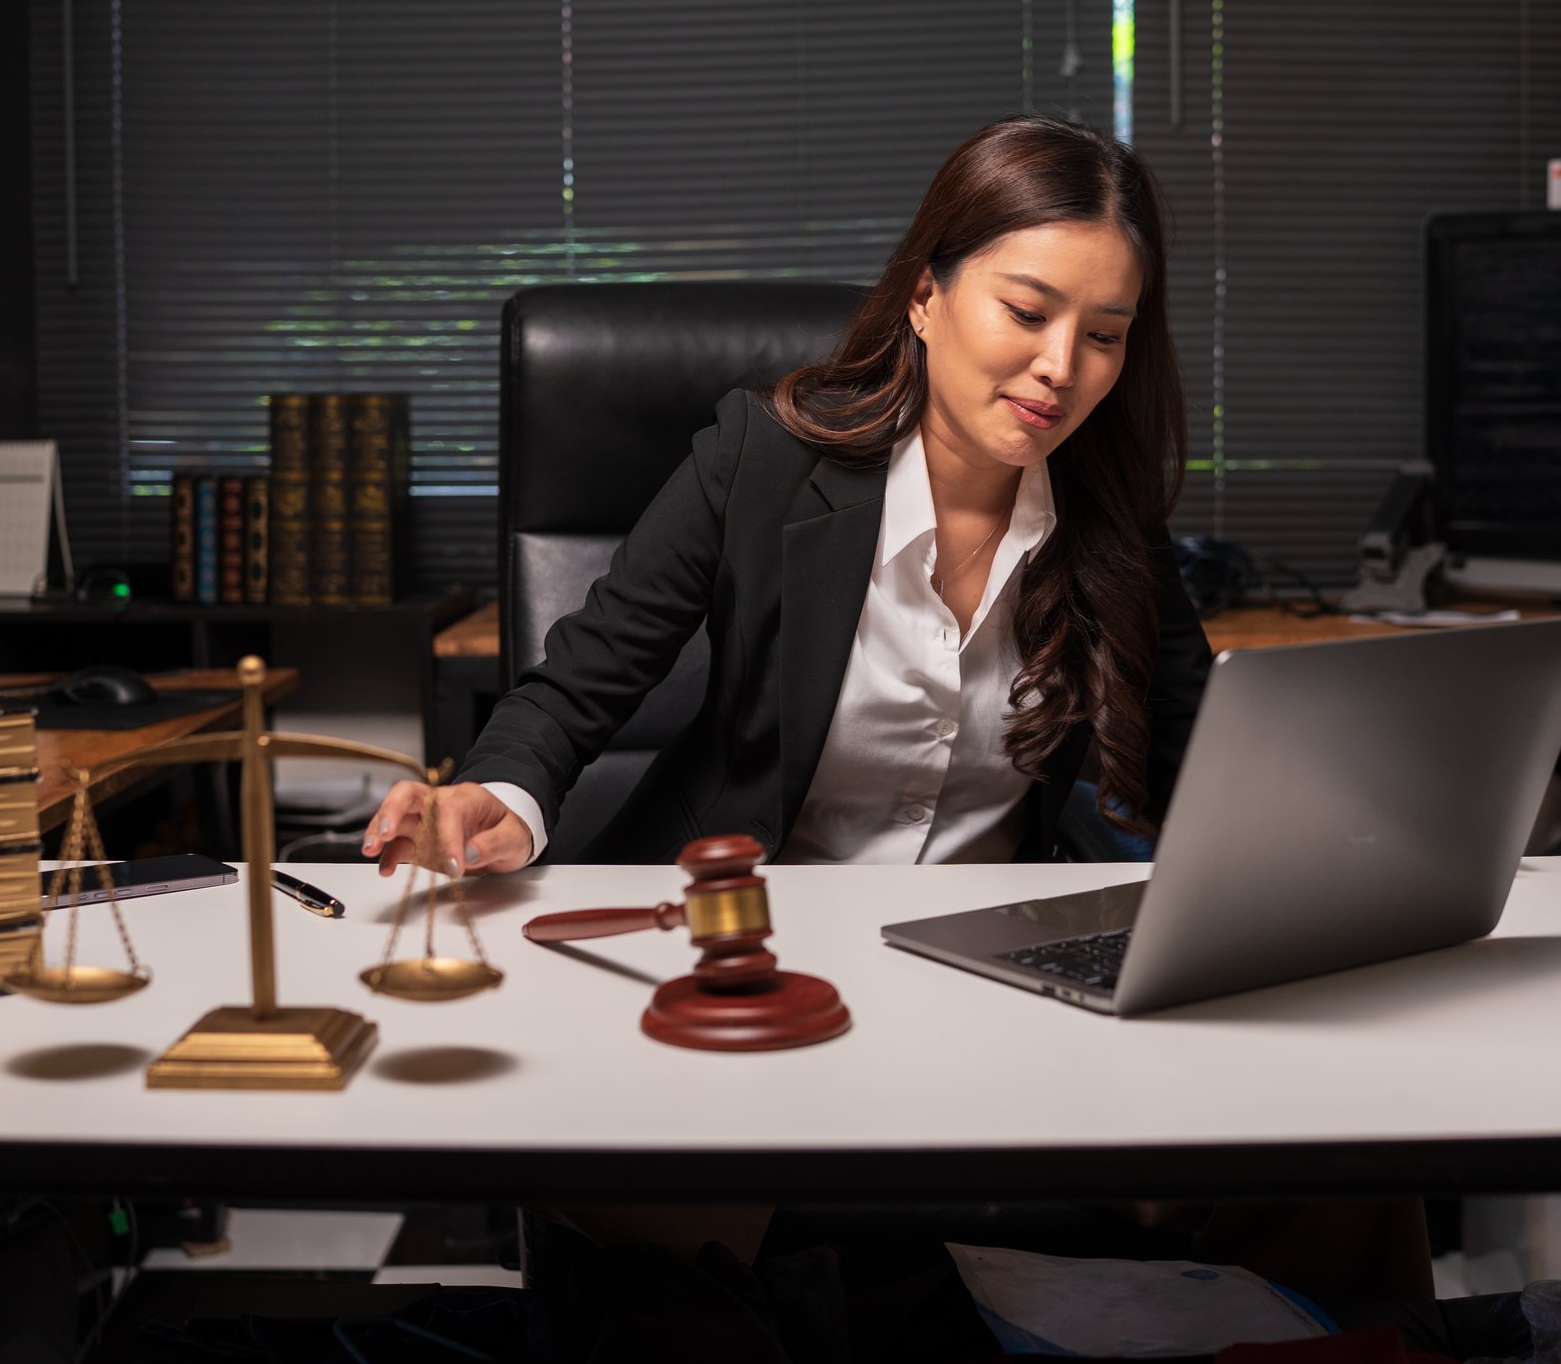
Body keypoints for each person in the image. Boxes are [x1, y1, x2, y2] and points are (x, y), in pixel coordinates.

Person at [362, 115, 1212, 876]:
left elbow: (1203, 756)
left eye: (1104, 335)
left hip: (985, 952)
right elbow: (585, 678)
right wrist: (499, 796)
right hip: (755, 927)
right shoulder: (764, 458)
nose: (1063, 367)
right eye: (1027, 313)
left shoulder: (1110, 512)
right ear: (925, 297)